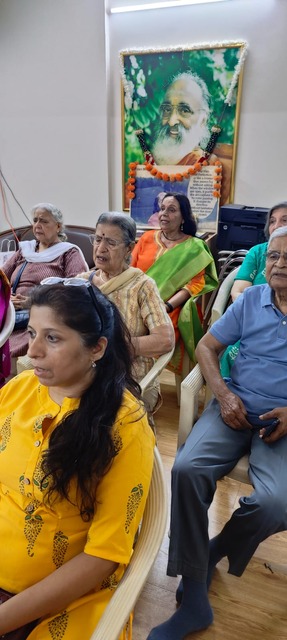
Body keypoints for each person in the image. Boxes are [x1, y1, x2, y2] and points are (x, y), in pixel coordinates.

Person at [147, 225, 287, 640]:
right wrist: (223, 396)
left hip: (281, 424)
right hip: (233, 407)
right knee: (187, 469)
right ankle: (194, 602)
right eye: (275, 256)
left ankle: (210, 552)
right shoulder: (253, 300)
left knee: (274, 504)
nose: (278, 265)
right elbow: (207, 347)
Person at [0, 278, 155, 639]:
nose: (31, 351)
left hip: (58, 600)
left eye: (52, 338)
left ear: (97, 348)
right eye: (32, 332)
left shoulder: (123, 428)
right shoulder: (21, 390)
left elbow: (102, 556)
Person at [77, 211, 174, 414]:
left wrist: (114, 348)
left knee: (96, 409)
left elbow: (164, 340)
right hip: (83, 367)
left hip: (127, 371)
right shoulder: (81, 282)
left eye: (111, 242)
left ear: (130, 248)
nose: (100, 248)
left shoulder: (142, 286)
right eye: (97, 239)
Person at [131, 193, 218, 374]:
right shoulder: (147, 238)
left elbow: (193, 285)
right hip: (135, 300)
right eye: (162, 209)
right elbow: (130, 270)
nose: (164, 214)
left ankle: (142, 373)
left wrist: (167, 305)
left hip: (170, 307)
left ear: (183, 217)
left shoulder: (194, 247)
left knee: (155, 327)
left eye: (171, 210)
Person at [2, 203, 88, 358]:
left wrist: (33, 302)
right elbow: (1, 278)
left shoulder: (68, 252)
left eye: (44, 221)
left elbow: (78, 290)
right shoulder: (25, 250)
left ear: (58, 226)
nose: (37, 225)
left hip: (42, 319)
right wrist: (7, 301)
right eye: (35, 220)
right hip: (10, 313)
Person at [220, 201, 287, 376]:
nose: (277, 226)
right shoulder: (258, 252)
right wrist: (258, 315)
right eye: (272, 221)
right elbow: (238, 291)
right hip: (253, 320)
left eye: (284, 220)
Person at [152, 71, 233, 205]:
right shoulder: (152, 160)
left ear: (202, 120)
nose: (172, 121)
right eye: (167, 109)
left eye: (184, 111)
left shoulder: (205, 165)